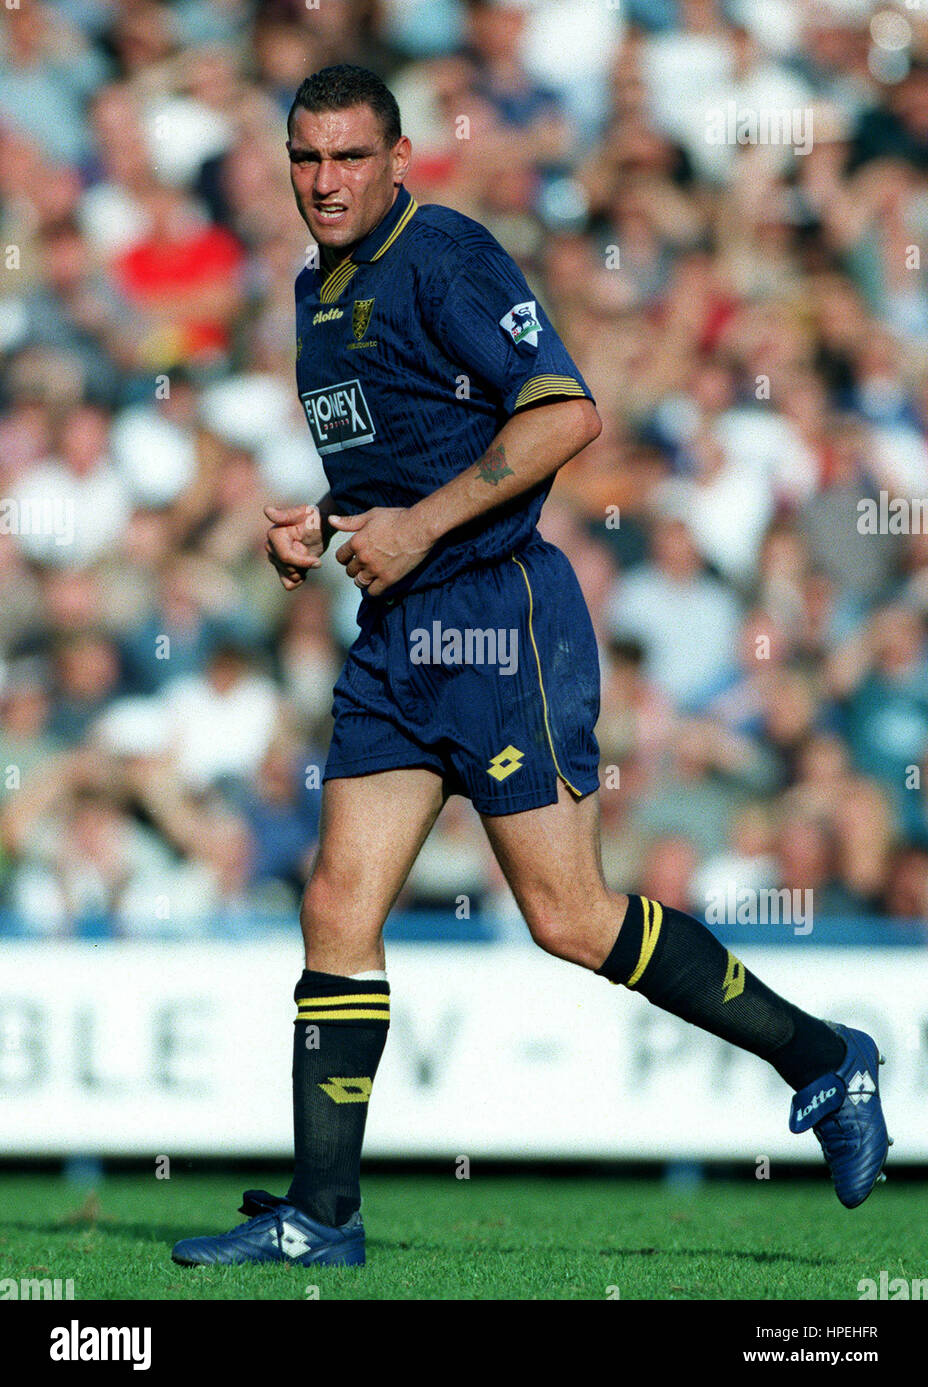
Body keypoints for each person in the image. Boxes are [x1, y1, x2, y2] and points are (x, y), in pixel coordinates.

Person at [171, 66, 890, 1270]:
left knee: (567, 917)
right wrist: (327, 520)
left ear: (400, 160)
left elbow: (564, 413)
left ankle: (824, 1055)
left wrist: (416, 525)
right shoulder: (316, 288)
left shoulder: (445, 255)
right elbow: (399, 454)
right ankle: (321, 1215)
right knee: (336, 903)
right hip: (398, 636)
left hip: (498, 623)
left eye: (351, 157)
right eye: (306, 158)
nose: (326, 180)